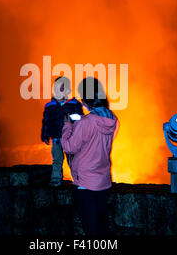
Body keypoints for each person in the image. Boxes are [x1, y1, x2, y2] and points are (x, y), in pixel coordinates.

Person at [61, 77, 118, 235]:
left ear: (85, 100)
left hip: (85, 184)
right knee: (102, 229)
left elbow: (69, 146)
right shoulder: (112, 119)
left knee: (91, 230)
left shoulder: (86, 123)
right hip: (103, 182)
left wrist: (67, 125)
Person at [41, 76, 84, 187]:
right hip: (56, 138)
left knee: (73, 160)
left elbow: (81, 119)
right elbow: (46, 121)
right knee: (57, 159)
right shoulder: (49, 106)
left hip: (71, 137)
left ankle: (79, 179)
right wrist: (44, 135)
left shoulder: (74, 104)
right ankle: (56, 179)